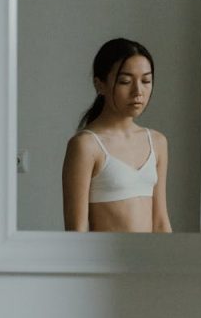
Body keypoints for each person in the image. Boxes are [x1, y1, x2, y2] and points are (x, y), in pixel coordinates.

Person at [62, 38, 172, 232]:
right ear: (100, 85)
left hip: (151, 261)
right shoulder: (86, 145)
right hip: (102, 261)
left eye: (146, 80)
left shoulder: (157, 142)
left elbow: (161, 221)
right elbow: (77, 230)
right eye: (125, 81)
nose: (138, 91)